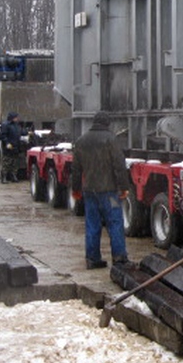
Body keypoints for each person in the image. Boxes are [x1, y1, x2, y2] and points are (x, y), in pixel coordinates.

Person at [70, 111, 132, 270]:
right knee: (115, 223)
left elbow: (76, 169)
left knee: (92, 224)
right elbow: (119, 165)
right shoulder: (111, 139)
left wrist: (75, 189)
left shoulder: (81, 141)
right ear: (107, 123)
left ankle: (92, 259)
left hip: (90, 191)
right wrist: (124, 187)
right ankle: (119, 258)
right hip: (109, 190)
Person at [0, 111, 23, 183]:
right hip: (8, 147)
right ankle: (4, 177)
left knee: (14, 163)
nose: (17, 118)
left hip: (16, 146)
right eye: (16, 117)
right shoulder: (6, 125)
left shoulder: (16, 125)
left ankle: (13, 176)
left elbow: (20, 132)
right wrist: (7, 143)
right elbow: (3, 135)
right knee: (7, 162)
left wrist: (27, 132)